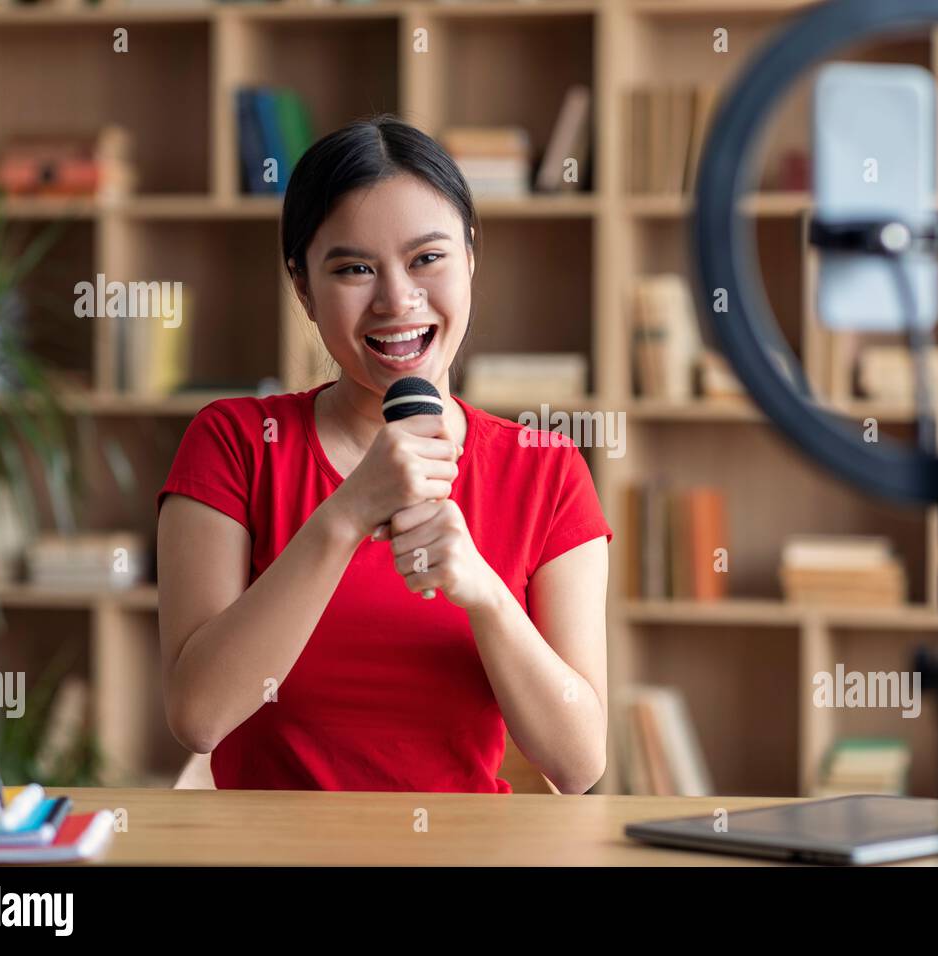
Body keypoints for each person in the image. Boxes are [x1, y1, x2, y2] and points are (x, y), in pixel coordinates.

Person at [155, 115, 612, 794]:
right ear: (303, 289)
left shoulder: (545, 469)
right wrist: (344, 517)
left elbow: (579, 766)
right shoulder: (235, 443)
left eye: (428, 258)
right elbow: (199, 718)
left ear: (470, 260)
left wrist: (485, 594)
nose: (397, 300)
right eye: (354, 269)